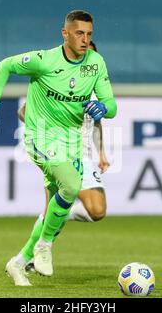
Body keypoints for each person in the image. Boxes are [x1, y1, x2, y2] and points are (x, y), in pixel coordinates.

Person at [0, 10, 117, 286]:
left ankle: (18, 262)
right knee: (71, 186)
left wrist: (105, 108)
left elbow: (111, 107)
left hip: (72, 145)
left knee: (58, 206)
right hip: (40, 139)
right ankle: (44, 246)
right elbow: (5, 65)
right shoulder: (44, 61)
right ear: (65, 33)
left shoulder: (96, 64)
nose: (85, 40)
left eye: (89, 35)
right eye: (79, 33)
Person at [17, 41, 109, 227]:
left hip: (84, 156)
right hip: (58, 151)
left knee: (98, 211)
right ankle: (29, 255)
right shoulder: (56, 84)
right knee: (51, 208)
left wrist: (101, 153)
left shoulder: (94, 91)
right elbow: (23, 112)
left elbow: (96, 124)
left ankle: (61, 215)